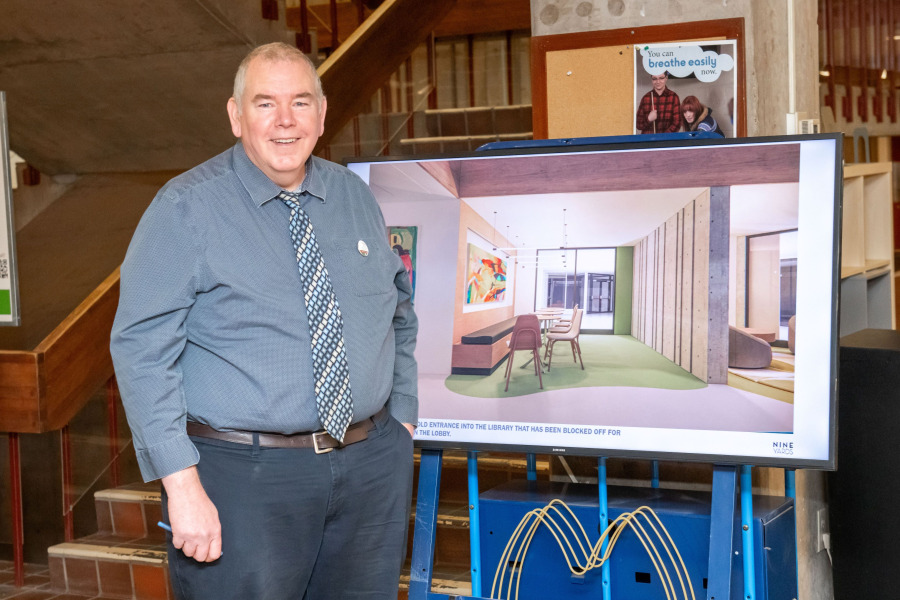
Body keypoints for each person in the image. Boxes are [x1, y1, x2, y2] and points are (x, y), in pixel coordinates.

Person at [110, 42, 418, 599]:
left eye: (300, 103)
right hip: (242, 479)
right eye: (264, 104)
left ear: (321, 115)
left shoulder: (353, 196)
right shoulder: (184, 209)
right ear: (235, 115)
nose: (284, 122)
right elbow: (139, 349)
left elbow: (398, 310)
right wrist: (181, 485)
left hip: (370, 470)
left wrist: (405, 420)